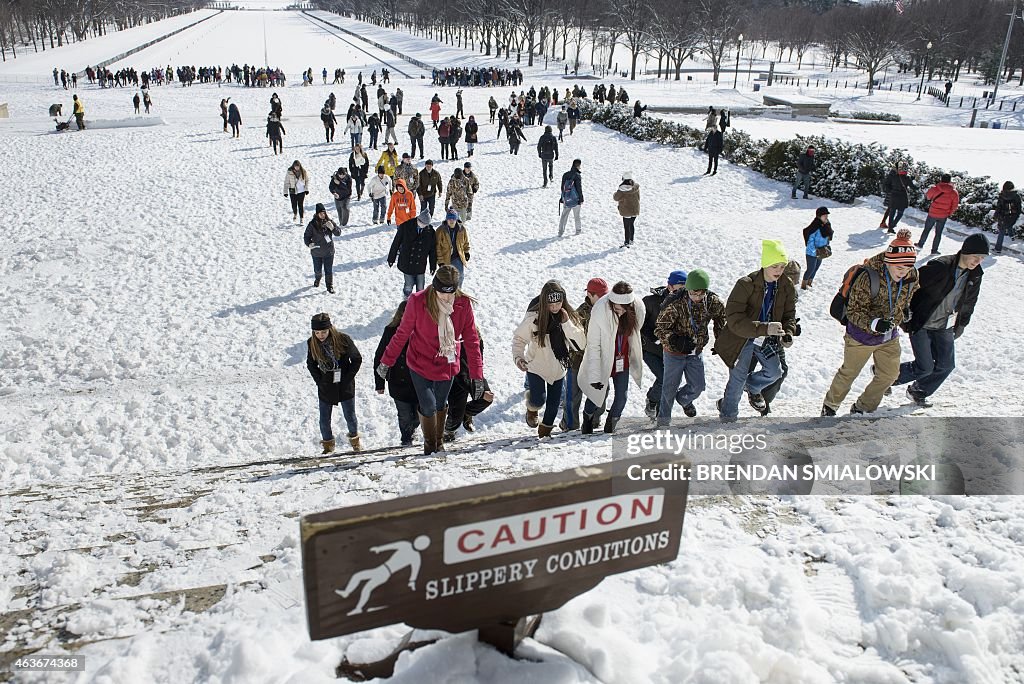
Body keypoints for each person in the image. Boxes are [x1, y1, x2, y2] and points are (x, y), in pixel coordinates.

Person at [377, 265, 485, 455]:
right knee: (427, 404)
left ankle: (439, 441)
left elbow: (472, 341)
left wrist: (477, 376)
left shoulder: (463, 304)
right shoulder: (418, 301)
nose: (446, 298)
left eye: (450, 294)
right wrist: (387, 361)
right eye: (442, 293)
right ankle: (430, 446)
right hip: (420, 361)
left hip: (447, 362)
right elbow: (402, 334)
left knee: (440, 403)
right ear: (435, 287)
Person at [821, 230, 919, 416]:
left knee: (890, 375)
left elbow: (908, 296)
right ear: (889, 261)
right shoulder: (869, 277)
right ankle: (830, 406)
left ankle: (863, 407)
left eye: (907, 268)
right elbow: (853, 312)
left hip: (889, 336)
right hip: (860, 336)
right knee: (849, 373)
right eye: (899, 268)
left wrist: (904, 311)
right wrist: (874, 324)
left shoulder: (912, 275)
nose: (903, 272)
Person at [891, 233, 987, 407]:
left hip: (945, 325)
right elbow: (910, 284)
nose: (978, 261)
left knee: (946, 365)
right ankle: (886, 376)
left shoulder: (975, 275)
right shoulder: (941, 266)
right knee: (924, 366)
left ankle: (919, 390)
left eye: (982, 258)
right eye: (976, 256)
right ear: (966, 251)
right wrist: (904, 312)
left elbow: (969, 302)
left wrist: (962, 324)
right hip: (922, 321)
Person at [714, 240, 798, 420]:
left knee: (775, 372)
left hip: (766, 339)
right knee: (738, 378)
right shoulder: (746, 284)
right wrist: (765, 328)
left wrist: (788, 332)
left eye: (782, 266)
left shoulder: (786, 285)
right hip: (741, 338)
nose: (779, 270)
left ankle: (752, 387)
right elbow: (735, 319)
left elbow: (789, 313)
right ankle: (728, 416)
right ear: (765, 264)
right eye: (775, 266)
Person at [513, 281, 587, 437]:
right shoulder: (534, 318)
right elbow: (519, 339)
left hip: (558, 369)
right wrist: (519, 357)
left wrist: (566, 324)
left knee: (553, 406)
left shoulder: (568, 317)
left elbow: (580, 344)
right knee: (538, 401)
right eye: (550, 304)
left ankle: (544, 433)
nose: (554, 307)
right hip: (536, 366)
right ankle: (531, 409)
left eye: (558, 303)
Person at [655, 269, 726, 424]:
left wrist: (720, 340)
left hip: (696, 351)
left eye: (701, 294)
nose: (697, 298)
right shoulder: (675, 303)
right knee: (669, 388)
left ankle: (684, 399)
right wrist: (674, 340)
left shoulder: (713, 301)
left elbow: (722, 318)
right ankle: (663, 421)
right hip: (674, 353)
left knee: (698, 385)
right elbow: (660, 328)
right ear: (687, 289)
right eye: (693, 294)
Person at [579, 282, 645, 434]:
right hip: (603, 360)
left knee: (622, 397)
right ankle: (587, 418)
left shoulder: (637, 310)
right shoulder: (599, 312)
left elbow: (635, 334)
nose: (619, 312)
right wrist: (595, 376)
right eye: (616, 308)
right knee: (597, 394)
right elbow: (593, 346)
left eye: (623, 308)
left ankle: (611, 424)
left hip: (622, 360)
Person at [307, 313, 362, 454]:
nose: (320, 335)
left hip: (344, 384)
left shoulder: (343, 339)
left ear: (330, 329)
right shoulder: (311, 343)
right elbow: (311, 364)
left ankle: (355, 442)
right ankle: (328, 446)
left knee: (350, 416)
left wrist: (348, 378)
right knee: (324, 419)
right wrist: (320, 381)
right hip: (326, 385)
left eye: (323, 331)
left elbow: (356, 359)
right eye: (317, 332)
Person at [756, 260, 803, 416]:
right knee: (742, 373)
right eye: (792, 277)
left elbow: (787, 315)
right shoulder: (766, 285)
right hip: (755, 336)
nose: (794, 282)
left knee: (781, 371)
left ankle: (764, 401)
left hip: (774, 339)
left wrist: (791, 329)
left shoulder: (791, 292)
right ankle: (726, 402)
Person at [562, 278, 609, 430]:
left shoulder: (609, 310)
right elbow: (571, 336)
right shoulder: (580, 313)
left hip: (599, 360)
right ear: (590, 294)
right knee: (573, 395)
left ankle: (594, 420)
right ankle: (570, 424)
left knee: (601, 390)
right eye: (599, 296)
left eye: (605, 295)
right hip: (577, 359)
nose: (603, 298)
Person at [640, 271, 687, 419]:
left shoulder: (687, 303)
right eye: (679, 287)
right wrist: (651, 340)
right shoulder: (651, 301)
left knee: (672, 380)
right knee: (664, 378)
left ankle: (660, 412)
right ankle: (653, 401)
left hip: (671, 350)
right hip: (650, 348)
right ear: (670, 286)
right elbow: (639, 326)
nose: (683, 291)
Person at [375, 301, 420, 447]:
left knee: (420, 413)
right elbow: (380, 356)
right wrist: (379, 382)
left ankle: (413, 429)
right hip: (398, 382)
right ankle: (406, 438)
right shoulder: (390, 331)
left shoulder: (422, 330)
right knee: (405, 415)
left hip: (419, 381)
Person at [443, 333, 494, 442]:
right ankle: (449, 431)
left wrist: (480, 386)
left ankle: (467, 412)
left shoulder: (476, 336)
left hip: (474, 373)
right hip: (456, 377)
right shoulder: (453, 338)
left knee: (486, 398)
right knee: (456, 414)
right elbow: (460, 374)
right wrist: (477, 391)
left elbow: (479, 359)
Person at [388, 209, 437, 298]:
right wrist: (391, 258)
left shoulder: (431, 232)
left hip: (420, 264)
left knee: (420, 287)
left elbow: (432, 250)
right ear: (418, 219)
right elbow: (396, 242)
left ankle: (419, 304)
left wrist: (433, 266)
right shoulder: (406, 226)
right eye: (422, 222)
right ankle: (406, 302)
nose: (423, 225)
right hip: (407, 262)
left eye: (425, 224)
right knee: (408, 285)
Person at [918, 174, 961, 255]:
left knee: (926, 229)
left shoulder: (934, 188)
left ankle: (920, 244)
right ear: (949, 181)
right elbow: (955, 205)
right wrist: (949, 213)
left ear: (941, 179)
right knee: (938, 233)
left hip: (932, 213)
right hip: (943, 215)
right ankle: (934, 250)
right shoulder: (954, 192)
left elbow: (928, 197)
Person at [304, 203, 341, 292]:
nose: (323, 215)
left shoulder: (329, 222)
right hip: (317, 252)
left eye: (324, 213)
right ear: (317, 214)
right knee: (317, 270)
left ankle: (329, 286)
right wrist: (309, 244)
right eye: (321, 213)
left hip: (329, 252)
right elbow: (306, 236)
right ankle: (317, 279)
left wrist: (333, 228)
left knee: (328, 270)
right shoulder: (312, 224)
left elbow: (338, 233)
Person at [435, 209, 470, 286]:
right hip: (445, 258)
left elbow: (465, 242)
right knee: (445, 278)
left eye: (453, 218)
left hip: (457, 257)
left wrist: (466, 252)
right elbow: (437, 247)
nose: (451, 220)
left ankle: (457, 292)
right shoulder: (440, 230)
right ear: (446, 219)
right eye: (449, 218)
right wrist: (440, 261)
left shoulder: (462, 229)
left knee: (460, 276)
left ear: (456, 219)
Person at [802, 207, 833, 290]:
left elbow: (828, 236)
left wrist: (826, 246)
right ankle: (804, 284)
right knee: (810, 269)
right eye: (824, 215)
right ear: (819, 216)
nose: (826, 216)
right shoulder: (814, 227)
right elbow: (810, 241)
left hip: (822, 251)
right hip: (812, 252)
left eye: (827, 215)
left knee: (816, 268)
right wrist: (815, 251)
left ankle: (809, 283)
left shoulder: (826, 225)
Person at [881, 162, 917, 233]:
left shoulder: (894, 176)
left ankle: (890, 227)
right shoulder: (907, 178)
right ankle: (893, 225)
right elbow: (914, 187)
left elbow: (887, 184)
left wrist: (890, 191)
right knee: (900, 213)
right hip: (902, 197)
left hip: (893, 196)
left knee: (892, 212)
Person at [993, 180, 1021, 254]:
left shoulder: (1002, 196)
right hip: (1012, 216)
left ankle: (998, 249)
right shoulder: (1016, 196)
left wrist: (995, 216)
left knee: (1001, 232)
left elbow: (998, 207)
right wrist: (1016, 215)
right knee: (1009, 225)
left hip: (1003, 216)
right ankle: (1012, 237)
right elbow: (1019, 207)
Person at [558, 159, 584, 237]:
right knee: (576, 215)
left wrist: (562, 197)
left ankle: (560, 231)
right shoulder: (577, 175)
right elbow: (579, 188)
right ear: (578, 166)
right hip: (575, 199)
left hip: (567, 198)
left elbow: (562, 187)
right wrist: (581, 199)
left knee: (564, 215)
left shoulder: (565, 174)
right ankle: (578, 230)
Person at [613, 172, 640, 247]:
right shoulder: (636, 187)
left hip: (626, 210)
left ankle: (627, 242)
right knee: (631, 224)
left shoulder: (621, 189)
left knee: (626, 226)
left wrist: (616, 194)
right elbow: (638, 198)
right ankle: (631, 240)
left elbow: (616, 198)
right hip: (635, 209)